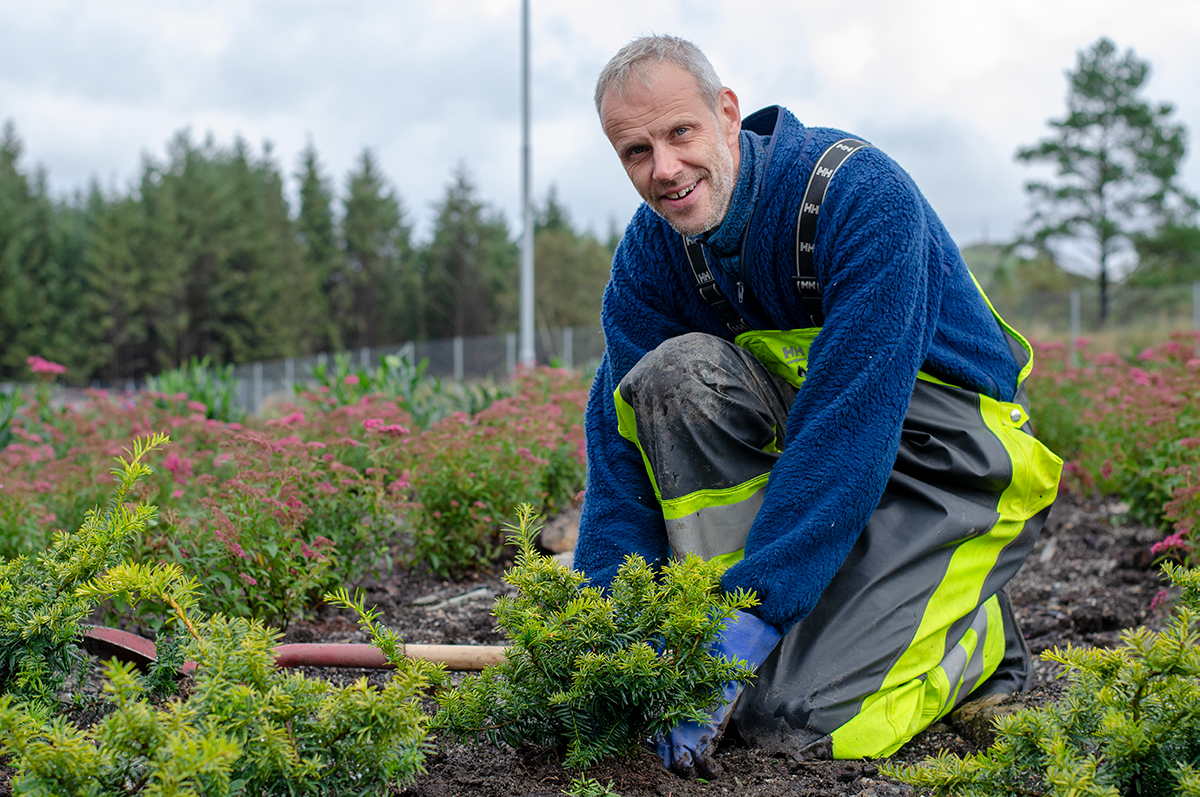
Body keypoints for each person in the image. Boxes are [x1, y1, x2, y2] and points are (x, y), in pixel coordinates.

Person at [572, 34, 1063, 775]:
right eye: (636, 152)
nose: (665, 169)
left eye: (680, 133)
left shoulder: (859, 198)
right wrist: (613, 631)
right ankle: (798, 621)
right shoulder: (651, 256)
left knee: (793, 720)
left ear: (727, 113)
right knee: (669, 378)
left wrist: (751, 618)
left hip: (952, 458)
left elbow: (849, 423)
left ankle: (978, 642)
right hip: (826, 459)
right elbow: (619, 446)